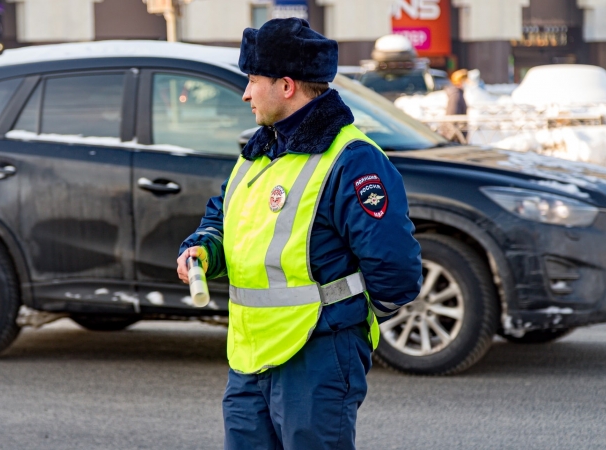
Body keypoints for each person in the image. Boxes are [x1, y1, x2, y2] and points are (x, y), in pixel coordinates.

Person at [176, 18, 422, 450]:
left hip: (317, 356)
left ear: (286, 86)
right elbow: (223, 218)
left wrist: (343, 325)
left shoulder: (353, 159)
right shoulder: (260, 150)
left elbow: (396, 272)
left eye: (253, 80)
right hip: (250, 355)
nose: (246, 93)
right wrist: (204, 249)